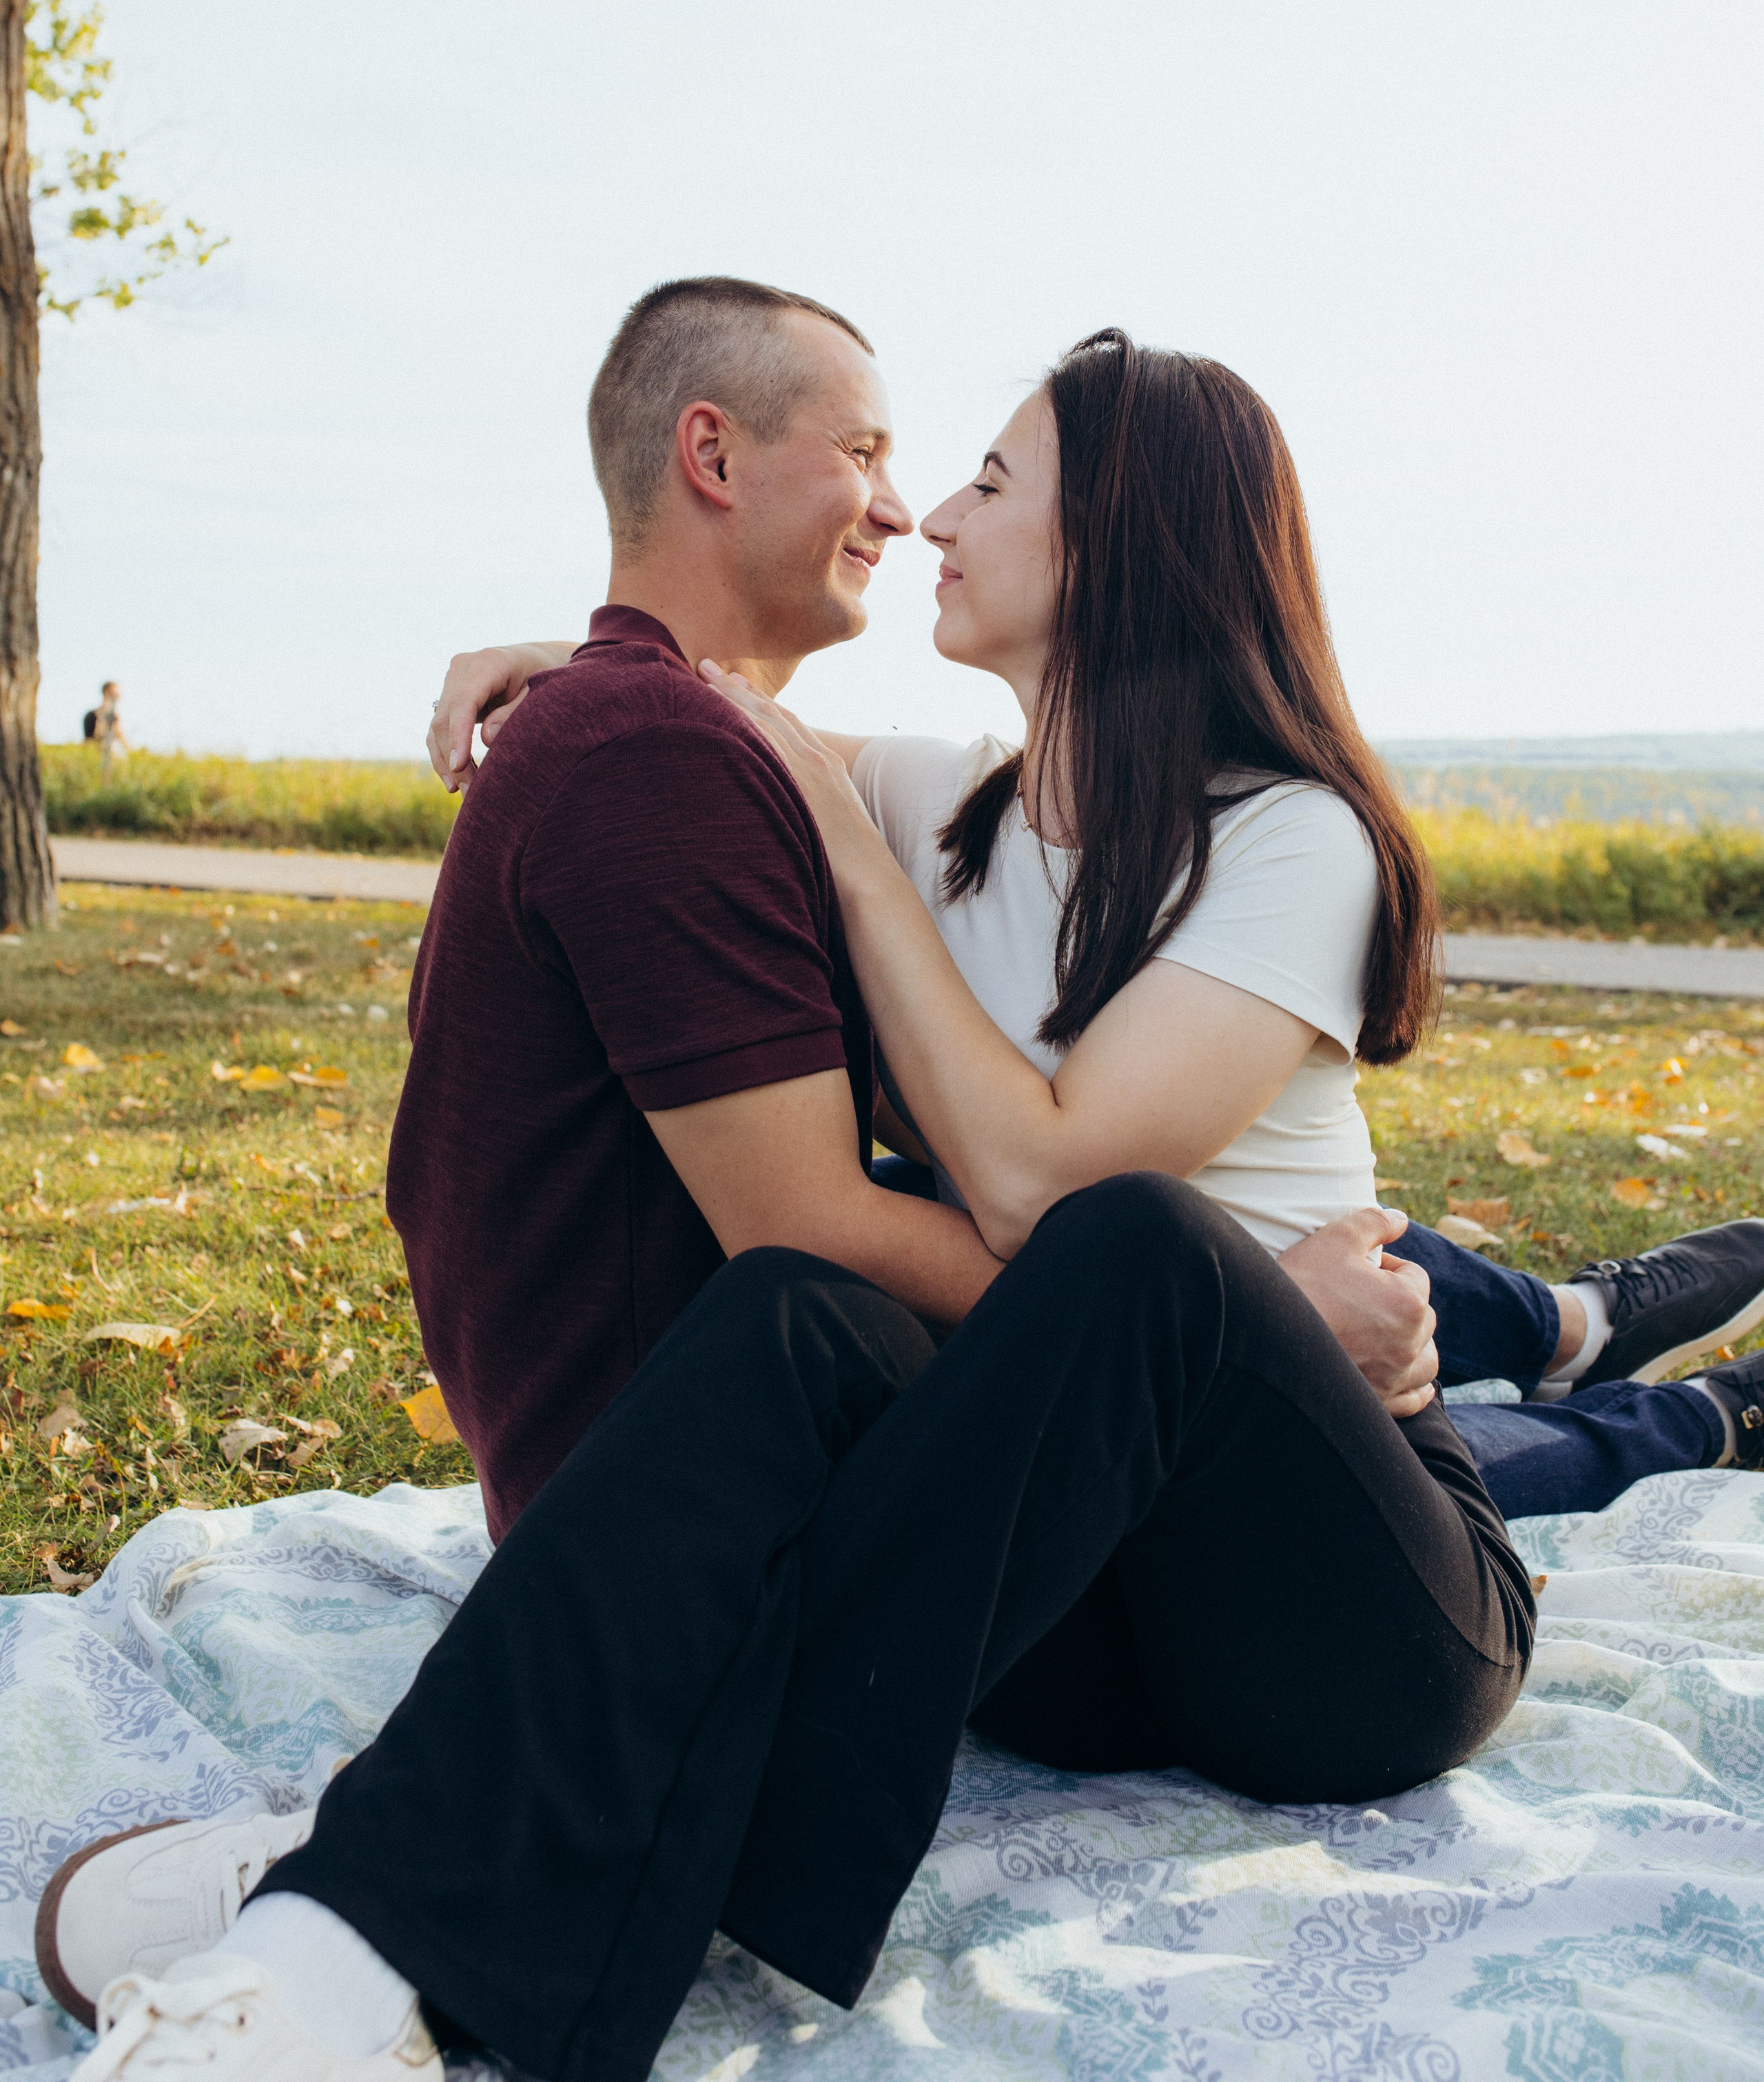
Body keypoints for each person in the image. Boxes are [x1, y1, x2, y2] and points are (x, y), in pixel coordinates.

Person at [37, 289, 1752, 2082]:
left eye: (990, 483)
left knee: (1137, 1244)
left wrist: (863, 873)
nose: (927, 512)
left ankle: (405, 1879)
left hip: (1357, 1628)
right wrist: (548, 657)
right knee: (796, 1304)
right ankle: (380, 1908)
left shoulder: (1286, 839)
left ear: (1123, 544)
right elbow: (688, 702)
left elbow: (1049, 1184)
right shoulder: (954, 800)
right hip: (1091, 1611)